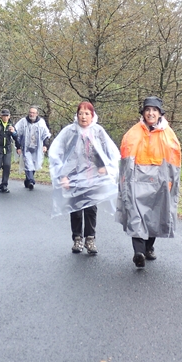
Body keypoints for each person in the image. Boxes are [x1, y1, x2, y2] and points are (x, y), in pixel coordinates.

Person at [116, 97, 182, 268]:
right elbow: (126, 160)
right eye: (147, 110)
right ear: (143, 112)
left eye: (154, 110)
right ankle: (138, 251)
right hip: (136, 180)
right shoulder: (133, 133)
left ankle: (148, 247)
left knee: (155, 215)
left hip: (159, 180)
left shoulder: (168, 135)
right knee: (136, 214)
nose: (150, 113)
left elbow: (174, 161)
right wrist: (125, 181)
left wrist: (171, 182)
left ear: (160, 113)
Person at [48, 101, 120, 255]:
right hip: (73, 176)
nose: (83, 117)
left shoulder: (98, 131)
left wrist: (105, 166)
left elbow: (108, 151)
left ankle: (90, 239)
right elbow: (59, 153)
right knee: (75, 208)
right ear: (77, 115)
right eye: (80, 113)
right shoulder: (70, 131)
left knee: (91, 208)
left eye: (87, 113)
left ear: (92, 115)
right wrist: (63, 175)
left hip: (93, 177)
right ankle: (77, 238)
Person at [14, 106, 51, 190]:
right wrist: (18, 146)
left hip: (37, 148)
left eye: (33, 113)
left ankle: (27, 180)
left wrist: (45, 145)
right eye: (30, 112)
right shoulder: (23, 121)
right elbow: (16, 133)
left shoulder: (41, 122)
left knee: (34, 164)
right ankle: (31, 181)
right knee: (28, 163)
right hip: (26, 147)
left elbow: (46, 135)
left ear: (37, 114)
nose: (31, 114)